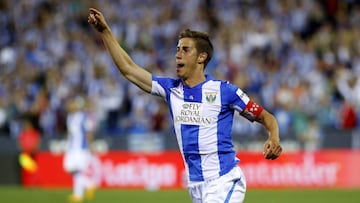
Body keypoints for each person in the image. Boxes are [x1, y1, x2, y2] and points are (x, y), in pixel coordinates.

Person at [88, 7, 282, 203]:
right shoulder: (171, 90)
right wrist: (105, 32)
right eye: (177, 49)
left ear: (201, 57)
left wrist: (273, 137)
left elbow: (266, 117)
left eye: (185, 49)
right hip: (195, 186)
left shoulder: (225, 91)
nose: (178, 54)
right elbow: (129, 69)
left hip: (224, 181)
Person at [63, 96, 97, 203]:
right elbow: (70, 133)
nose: (69, 105)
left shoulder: (84, 117)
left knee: (75, 169)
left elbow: (89, 132)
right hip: (71, 147)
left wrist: (90, 146)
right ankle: (87, 186)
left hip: (80, 148)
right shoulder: (70, 117)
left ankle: (78, 195)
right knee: (72, 169)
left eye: (71, 103)